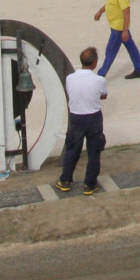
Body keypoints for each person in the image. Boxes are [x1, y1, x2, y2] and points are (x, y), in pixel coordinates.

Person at [57, 46, 109, 195]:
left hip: (76, 118)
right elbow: (104, 95)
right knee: (94, 152)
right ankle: (90, 184)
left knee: (72, 150)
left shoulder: (70, 78)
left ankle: (65, 180)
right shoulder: (99, 80)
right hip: (93, 118)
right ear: (94, 63)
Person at [93, 0, 140, 79]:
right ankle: (139, 69)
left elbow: (126, 12)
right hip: (117, 26)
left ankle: (100, 75)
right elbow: (110, 4)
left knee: (110, 51)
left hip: (118, 28)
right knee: (131, 47)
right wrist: (100, 12)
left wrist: (124, 31)